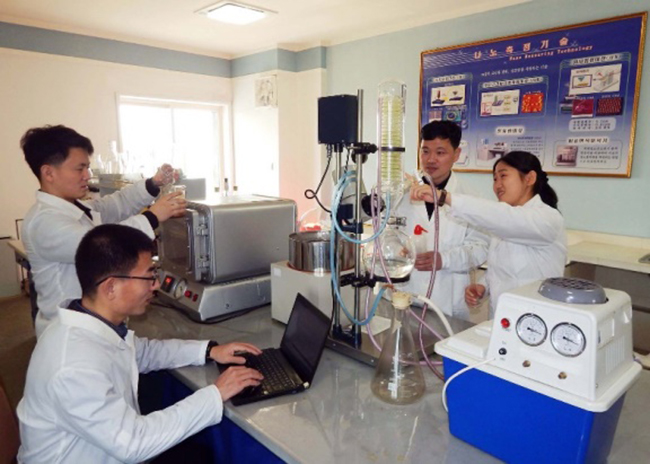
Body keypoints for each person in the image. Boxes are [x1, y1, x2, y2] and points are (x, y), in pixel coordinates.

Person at [17, 224, 264, 464]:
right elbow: (135, 444)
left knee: (199, 454)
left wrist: (209, 350)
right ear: (111, 287)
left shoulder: (90, 323)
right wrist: (216, 393)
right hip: (112, 451)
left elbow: (143, 352)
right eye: (149, 276)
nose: (156, 285)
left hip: (108, 450)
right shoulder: (73, 366)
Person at [20, 124, 187, 337]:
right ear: (49, 173)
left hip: (92, 325)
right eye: (79, 169)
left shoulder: (77, 207)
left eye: (87, 167)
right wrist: (153, 216)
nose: (87, 176)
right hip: (71, 333)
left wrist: (153, 184)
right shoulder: (44, 222)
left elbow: (116, 204)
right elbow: (102, 247)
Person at [411, 150, 567, 318]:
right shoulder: (505, 221)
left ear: (529, 178)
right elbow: (505, 267)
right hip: (502, 317)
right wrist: (483, 286)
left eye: (503, 176)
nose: (497, 185)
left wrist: (444, 197)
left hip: (535, 317)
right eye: (495, 179)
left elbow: (503, 217)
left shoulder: (547, 218)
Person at [396, 120, 489, 321]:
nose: (430, 160)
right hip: (403, 294)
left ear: (456, 154)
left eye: (440, 152)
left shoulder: (470, 198)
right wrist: (398, 251)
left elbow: (480, 249)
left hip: (447, 302)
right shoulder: (400, 193)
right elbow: (386, 236)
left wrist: (444, 259)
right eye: (425, 151)